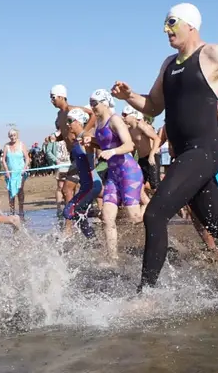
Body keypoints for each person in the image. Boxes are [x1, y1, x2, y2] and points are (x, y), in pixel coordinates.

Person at [111, 2, 218, 294]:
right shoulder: (168, 64)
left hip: (203, 151)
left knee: (154, 214)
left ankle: (146, 295)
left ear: (190, 24)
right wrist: (130, 96)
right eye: (165, 24)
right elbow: (154, 106)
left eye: (172, 23)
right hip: (184, 154)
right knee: (217, 224)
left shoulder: (214, 53)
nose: (166, 30)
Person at [87, 89, 145, 262]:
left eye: (95, 103)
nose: (92, 106)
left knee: (135, 217)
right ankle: (113, 259)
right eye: (90, 103)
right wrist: (93, 141)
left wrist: (111, 151)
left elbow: (129, 145)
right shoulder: (99, 123)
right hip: (114, 174)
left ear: (105, 102)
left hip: (129, 172)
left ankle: (157, 207)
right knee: (107, 217)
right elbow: (107, 143)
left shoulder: (115, 120)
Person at [49, 85, 92, 214]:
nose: (51, 101)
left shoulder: (72, 109)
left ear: (62, 96)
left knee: (67, 189)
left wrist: (84, 132)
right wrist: (55, 138)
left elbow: (93, 114)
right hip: (73, 154)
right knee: (84, 187)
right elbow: (65, 134)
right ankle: (80, 216)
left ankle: (70, 223)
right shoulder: (59, 114)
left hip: (80, 151)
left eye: (53, 97)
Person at [61, 108, 101, 239]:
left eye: (70, 121)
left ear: (78, 122)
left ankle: (100, 215)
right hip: (86, 185)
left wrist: (92, 141)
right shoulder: (77, 138)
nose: (67, 124)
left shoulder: (85, 136)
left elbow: (102, 144)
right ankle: (92, 240)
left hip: (91, 185)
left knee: (70, 211)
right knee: (74, 212)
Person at [122, 106, 162, 195]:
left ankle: (165, 205)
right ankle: (146, 205)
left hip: (152, 157)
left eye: (125, 115)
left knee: (155, 186)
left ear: (133, 116)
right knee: (139, 186)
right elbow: (133, 147)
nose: (123, 117)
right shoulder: (129, 130)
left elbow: (157, 139)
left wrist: (152, 155)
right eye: (122, 115)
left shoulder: (142, 126)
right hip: (142, 159)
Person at [3, 128, 28, 218]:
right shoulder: (6, 146)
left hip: (20, 172)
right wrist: (6, 170)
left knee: (20, 190)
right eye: (11, 135)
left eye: (14, 135)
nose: (12, 137)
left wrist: (24, 168)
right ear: (9, 136)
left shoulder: (22, 145)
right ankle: (12, 211)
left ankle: (21, 210)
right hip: (10, 173)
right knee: (10, 191)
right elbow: (3, 160)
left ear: (17, 135)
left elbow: (27, 158)